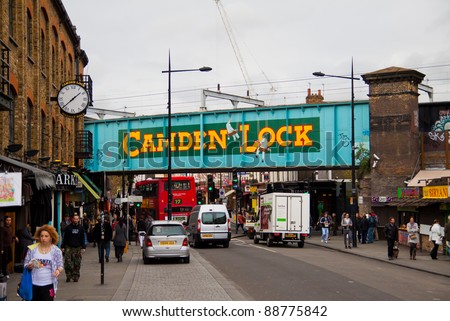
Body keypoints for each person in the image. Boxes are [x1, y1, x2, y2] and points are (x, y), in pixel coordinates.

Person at [23, 225, 64, 301]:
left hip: (49, 284)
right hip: (33, 284)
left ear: (51, 237)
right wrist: (29, 266)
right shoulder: (32, 249)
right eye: (41, 236)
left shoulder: (56, 251)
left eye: (46, 236)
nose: (43, 238)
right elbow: (25, 263)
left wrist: (58, 271)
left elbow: (60, 265)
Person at [61, 214, 86, 282]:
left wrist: (83, 247)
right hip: (69, 247)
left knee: (77, 263)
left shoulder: (81, 228)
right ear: (72, 219)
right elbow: (65, 237)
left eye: (77, 219)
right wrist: (63, 246)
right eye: (74, 219)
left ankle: (76, 276)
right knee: (68, 262)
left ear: (78, 220)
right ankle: (68, 275)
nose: (75, 220)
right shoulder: (68, 228)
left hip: (77, 247)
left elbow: (83, 238)